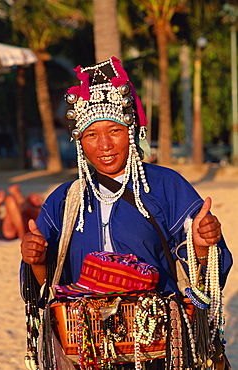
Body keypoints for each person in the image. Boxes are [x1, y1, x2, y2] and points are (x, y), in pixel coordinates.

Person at [20, 57, 232, 369]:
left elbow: (204, 280)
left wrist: (202, 243)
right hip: (85, 345)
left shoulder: (164, 185)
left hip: (159, 345)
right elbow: (45, 288)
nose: (104, 144)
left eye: (114, 131)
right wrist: (35, 260)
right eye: (91, 135)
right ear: (80, 141)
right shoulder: (64, 200)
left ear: (130, 132)